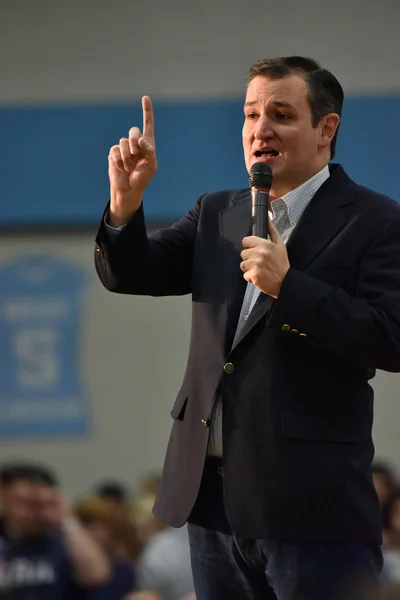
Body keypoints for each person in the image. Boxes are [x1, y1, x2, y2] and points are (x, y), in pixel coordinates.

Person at [94, 56, 400, 600]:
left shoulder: (375, 221)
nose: (261, 129)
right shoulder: (218, 213)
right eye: (251, 114)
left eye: (281, 114)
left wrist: (292, 289)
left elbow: (391, 336)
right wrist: (125, 204)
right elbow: (132, 273)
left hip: (311, 504)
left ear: (326, 129)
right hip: (210, 497)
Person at [0, 462, 110, 599]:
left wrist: (67, 520)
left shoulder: (63, 539)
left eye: (35, 504)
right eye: (21, 502)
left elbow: (97, 576)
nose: (28, 512)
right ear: (3, 495)